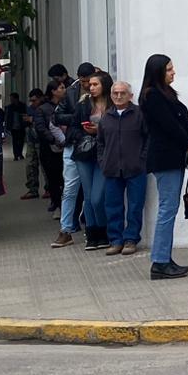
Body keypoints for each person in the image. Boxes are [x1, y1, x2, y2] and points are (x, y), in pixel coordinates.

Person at [140, 54, 188, 280]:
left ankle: (164, 257)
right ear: (157, 71)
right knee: (167, 209)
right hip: (165, 159)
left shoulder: (167, 94)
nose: (173, 72)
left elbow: (183, 119)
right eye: (168, 69)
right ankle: (160, 261)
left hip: (173, 157)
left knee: (169, 208)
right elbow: (170, 126)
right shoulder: (152, 96)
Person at [99, 80, 147, 255]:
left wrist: (142, 160)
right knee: (112, 206)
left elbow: (147, 139)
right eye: (115, 93)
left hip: (135, 169)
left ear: (130, 95)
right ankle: (115, 240)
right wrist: (103, 161)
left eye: (123, 93)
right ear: (111, 95)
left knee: (135, 206)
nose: (119, 96)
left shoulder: (139, 114)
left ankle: (131, 239)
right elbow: (100, 143)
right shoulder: (106, 117)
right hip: (112, 169)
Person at [53, 62, 95, 247]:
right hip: (74, 144)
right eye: (83, 81)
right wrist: (78, 118)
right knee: (70, 188)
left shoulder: (101, 88)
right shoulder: (71, 92)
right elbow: (57, 116)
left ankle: (93, 229)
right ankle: (66, 229)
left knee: (91, 190)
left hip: (93, 145)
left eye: (89, 81)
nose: (87, 85)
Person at [73, 71, 112, 251]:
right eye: (90, 84)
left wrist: (100, 130)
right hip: (84, 151)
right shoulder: (83, 103)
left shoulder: (112, 104)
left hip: (104, 153)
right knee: (88, 196)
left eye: (96, 84)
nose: (91, 87)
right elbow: (73, 126)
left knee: (98, 197)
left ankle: (103, 230)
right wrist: (85, 131)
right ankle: (92, 233)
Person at [34, 78, 67, 228]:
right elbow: (40, 128)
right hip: (50, 150)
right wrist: (53, 140)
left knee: (66, 180)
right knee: (53, 180)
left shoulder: (67, 105)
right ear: (53, 91)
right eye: (61, 87)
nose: (63, 90)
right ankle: (58, 205)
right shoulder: (43, 109)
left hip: (66, 148)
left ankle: (67, 207)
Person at [20, 88, 44, 199]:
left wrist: (33, 120)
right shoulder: (30, 109)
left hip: (42, 141)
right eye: (31, 101)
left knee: (45, 166)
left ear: (41, 98)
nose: (32, 103)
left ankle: (49, 189)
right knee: (30, 165)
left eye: (34, 100)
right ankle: (32, 189)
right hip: (31, 140)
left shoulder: (45, 108)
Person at [6, 92, 28, 161]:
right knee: (15, 141)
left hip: (21, 126)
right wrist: (8, 126)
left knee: (21, 141)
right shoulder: (10, 107)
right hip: (13, 127)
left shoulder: (22, 106)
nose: (11, 100)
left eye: (12, 99)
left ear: (16, 99)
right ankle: (16, 155)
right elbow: (8, 117)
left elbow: (25, 114)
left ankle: (20, 153)